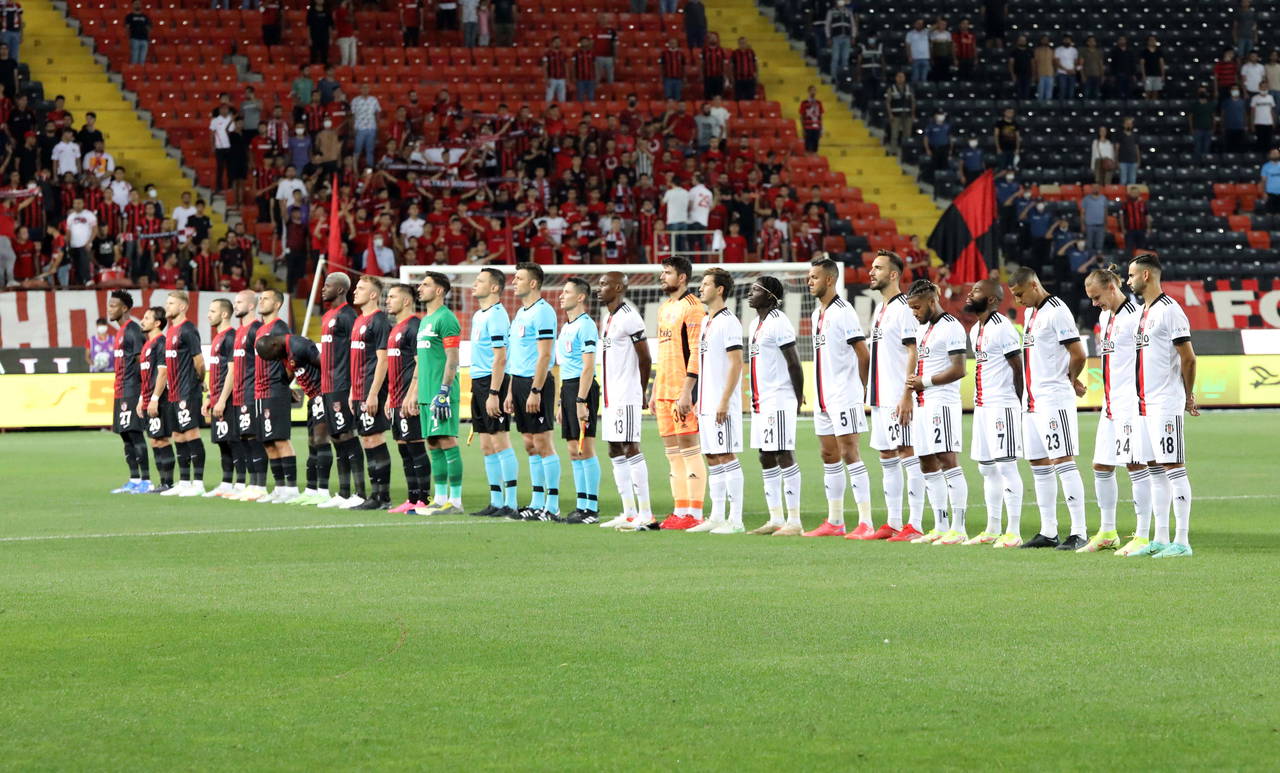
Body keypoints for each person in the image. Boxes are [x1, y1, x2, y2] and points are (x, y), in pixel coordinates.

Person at [1007, 266, 1088, 550]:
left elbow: (1079, 353)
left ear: (1033, 285)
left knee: (1063, 461)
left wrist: (1071, 379)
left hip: (1053, 399)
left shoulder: (1057, 311)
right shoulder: (1031, 314)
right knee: (1039, 464)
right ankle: (1048, 530)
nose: (1018, 301)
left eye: (1019, 294)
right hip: (1031, 402)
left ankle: (1079, 532)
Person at [1125, 252, 1197, 558]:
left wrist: (1188, 394)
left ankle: (1182, 541)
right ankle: (1161, 538)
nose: (1127, 281)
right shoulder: (1144, 311)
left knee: (1173, 468)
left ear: (1145, 276)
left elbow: (1188, 356)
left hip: (1165, 401)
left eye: (1130, 276)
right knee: (1154, 469)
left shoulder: (1170, 310)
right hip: (1144, 404)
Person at [798, 258, 874, 538]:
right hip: (823, 398)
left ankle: (866, 521)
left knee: (850, 453)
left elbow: (863, 353)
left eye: (814, 277)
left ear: (829, 280)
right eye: (808, 277)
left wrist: (863, 389)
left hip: (844, 395)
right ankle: (835, 520)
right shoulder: (818, 314)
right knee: (828, 454)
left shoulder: (844, 312)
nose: (809, 281)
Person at [1078, 265, 1150, 554]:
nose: (1095, 303)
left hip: (1130, 404)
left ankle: (1143, 535)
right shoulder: (1105, 316)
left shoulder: (1135, 318)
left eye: (1097, 297)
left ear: (1111, 287)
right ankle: (1108, 531)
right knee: (1101, 466)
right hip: (1109, 404)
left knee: (1135, 465)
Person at [864, 251, 926, 542]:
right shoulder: (881, 309)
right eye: (871, 267)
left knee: (906, 453)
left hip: (897, 395)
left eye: (877, 268)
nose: (870, 272)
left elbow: (913, 351)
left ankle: (914, 524)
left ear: (893, 275)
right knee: (887, 455)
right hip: (880, 397)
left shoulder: (904, 308)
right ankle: (892, 522)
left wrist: (907, 394)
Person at [902, 280, 969, 544]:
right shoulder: (924, 329)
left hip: (942, 401)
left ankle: (959, 527)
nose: (915, 312)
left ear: (932, 301)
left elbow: (959, 369)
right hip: (923, 403)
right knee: (926, 461)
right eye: (911, 308)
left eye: (917, 307)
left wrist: (925, 381)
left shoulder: (951, 326)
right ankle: (941, 526)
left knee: (947, 459)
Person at [739, 275, 805, 535]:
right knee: (765, 455)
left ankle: (795, 521)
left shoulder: (779, 323)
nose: (750, 293)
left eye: (755, 290)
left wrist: (798, 399)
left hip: (778, 398)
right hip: (761, 401)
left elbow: (794, 362)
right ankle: (775, 518)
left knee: (783, 452)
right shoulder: (757, 322)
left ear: (769, 296)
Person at [962, 280, 1025, 547]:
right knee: (986, 468)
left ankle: (1013, 531)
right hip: (982, 406)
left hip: (1002, 405)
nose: (969, 293)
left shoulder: (1003, 329)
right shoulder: (976, 328)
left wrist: (1018, 405)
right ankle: (992, 527)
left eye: (976, 291)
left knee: (1006, 466)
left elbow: (1017, 366)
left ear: (991, 299)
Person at [649, 256, 707, 529]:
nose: (662, 277)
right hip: (663, 390)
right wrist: (654, 389)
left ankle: (695, 513)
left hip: (683, 391)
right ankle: (680, 509)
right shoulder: (665, 307)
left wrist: (687, 391)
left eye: (668, 272)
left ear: (682, 277)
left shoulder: (693, 308)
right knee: (672, 454)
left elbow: (696, 352)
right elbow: (664, 353)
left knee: (690, 450)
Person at [595, 272, 654, 531]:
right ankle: (629, 512)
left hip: (626, 394)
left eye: (605, 284)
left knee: (631, 446)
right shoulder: (610, 317)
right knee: (614, 449)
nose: (600, 288)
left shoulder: (629, 315)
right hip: (610, 396)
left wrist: (640, 391)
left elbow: (646, 358)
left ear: (618, 287)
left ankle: (646, 513)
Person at [503, 262, 560, 521]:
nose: (514, 282)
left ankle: (553, 504)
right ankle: (537, 501)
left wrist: (536, 390)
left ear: (533, 283)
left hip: (538, 383)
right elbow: (516, 356)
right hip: (519, 383)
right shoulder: (520, 313)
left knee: (543, 442)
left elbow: (545, 354)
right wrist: (510, 391)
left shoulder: (543, 312)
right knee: (529, 444)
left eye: (519, 278)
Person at [410, 272, 464, 516]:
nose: (420, 288)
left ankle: (456, 501)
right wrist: (415, 392)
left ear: (440, 290)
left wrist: (444, 391)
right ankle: (440, 498)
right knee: (432, 443)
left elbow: (453, 358)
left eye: (426, 284)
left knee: (446, 440)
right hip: (425, 393)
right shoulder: (424, 321)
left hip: (440, 393)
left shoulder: (446, 318)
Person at [468, 267, 518, 518]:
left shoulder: (497, 316)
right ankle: (496, 501)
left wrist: (495, 392)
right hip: (478, 381)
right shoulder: (479, 315)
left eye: (480, 281)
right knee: (486, 445)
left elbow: (500, 357)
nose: (474, 284)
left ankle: (511, 503)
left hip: (491, 382)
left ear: (495, 287)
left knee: (500, 440)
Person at [314, 273, 363, 508]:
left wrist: (355, 385)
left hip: (343, 385)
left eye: (328, 285)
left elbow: (357, 352)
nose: (323, 289)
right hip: (328, 386)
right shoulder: (327, 316)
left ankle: (360, 492)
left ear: (341, 289)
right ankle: (344, 492)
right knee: (336, 437)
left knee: (347, 436)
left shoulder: (347, 316)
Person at [555, 278, 602, 524]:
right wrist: (564, 402)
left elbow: (588, 366)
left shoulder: (586, 326)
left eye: (567, 292)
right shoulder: (567, 327)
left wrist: (581, 400)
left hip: (583, 390)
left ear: (581, 297)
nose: (561, 295)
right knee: (574, 450)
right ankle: (581, 505)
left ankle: (591, 509)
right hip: (569, 389)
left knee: (586, 448)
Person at [214, 290, 268, 500]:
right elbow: (233, 368)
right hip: (238, 393)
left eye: (239, 302)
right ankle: (251, 484)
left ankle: (260, 485)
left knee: (253, 438)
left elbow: (266, 361)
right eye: (235, 302)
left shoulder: (256, 329)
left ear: (252, 306)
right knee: (244, 439)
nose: (235, 305)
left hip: (252, 392)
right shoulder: (238, 332)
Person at [155, 291, 207, 497]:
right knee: (177, 436)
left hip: (188, 390)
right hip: (174, 392)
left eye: (171, 303)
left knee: (191, 434)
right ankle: (185, 481)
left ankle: (199, 482)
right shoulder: (171, 332)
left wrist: (199, 381)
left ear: (183, 307)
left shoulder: (188, 330)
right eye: (167, 302)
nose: (167, 306)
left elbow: (199, 362)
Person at [349, 275, 393, 510]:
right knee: (366, 439)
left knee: (375, 437)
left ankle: (382, 495)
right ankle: (375, 494)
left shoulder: (379, 321)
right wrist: (351, 393)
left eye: (361, 288)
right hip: (357, 391)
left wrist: (374, 393)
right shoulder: (358, 321)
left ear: (374, 295)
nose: (356, 291)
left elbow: (383, 360)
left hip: (371, 390)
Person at [383, 283, 427, 514]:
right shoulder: (394, 328)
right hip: (397, 397)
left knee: (416, 447)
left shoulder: (415, 326)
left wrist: (413, 395)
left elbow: (421, 362)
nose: (388, 301)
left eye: (392, 297)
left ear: (407, 301)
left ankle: (425, 499)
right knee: (404, 448)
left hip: (409, 398)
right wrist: (391, 396)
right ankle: (412, 498)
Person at [253, 289, 299, 502]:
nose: (261, 301)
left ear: (278, 304)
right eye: (260, 298)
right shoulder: (260, 329)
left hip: (274, 390)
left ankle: (291, 488)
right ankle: (280, 488)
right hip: (259, 391)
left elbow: (292, 358)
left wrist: (282, 382)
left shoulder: (280, 328)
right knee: (267, 441)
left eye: (266, 298)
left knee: (280, 439)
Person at [107, 290, 152, 493]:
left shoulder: (133, 331)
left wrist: (143, 393)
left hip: (132, 390)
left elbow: (141, 362)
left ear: (124, 308)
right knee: (125, 435)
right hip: (120, 390)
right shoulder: (119, 332)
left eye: (114, 305)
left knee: (135, 434)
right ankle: (134, 479)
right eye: (109, 304)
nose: (110, 308)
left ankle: (146, 480)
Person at [203, 298, 239, 498]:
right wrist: (210, 396)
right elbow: (215, 369)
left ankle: (240, 483)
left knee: (233, 442)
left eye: (212, 310)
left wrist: (223, 399)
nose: (209, 314)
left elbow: (232, 371)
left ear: (224, 314)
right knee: (223, 442)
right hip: (217, 397)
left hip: (230, 400)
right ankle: (226, 483)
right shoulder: (217, 338)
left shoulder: (230, 337)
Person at [137, 306, 175, 493]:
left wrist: (154, 399)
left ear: (157, 323)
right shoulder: (147, 345)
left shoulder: (161, 343)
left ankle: (168, 482)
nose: (142, 321)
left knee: (162, 440)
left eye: (146, 318)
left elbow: (163, 373)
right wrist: (140, 399)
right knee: (154, 440)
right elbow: (146, 376)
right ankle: (162, 482)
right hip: (147, 399)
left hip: (159, 400)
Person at [884, 71, 915, 153]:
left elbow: (913, 101)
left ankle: (906, 152)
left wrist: (913, 114)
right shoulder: (891, 88)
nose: (901, 78)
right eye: (899, 76)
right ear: (896, 78)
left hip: (907, 114)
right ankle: (893, 151)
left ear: (905, 78)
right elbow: (888, 102)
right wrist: (890, 114)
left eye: (902, 77)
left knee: (907, 135)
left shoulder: (909, 88)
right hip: (895, 115)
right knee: (894, 134)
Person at [825, 0, 855, 80]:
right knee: (835, 58)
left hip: (847, 37)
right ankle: (834, 77)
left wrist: (853, 36)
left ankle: (843, 76)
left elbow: (853, 24)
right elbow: (827, 25)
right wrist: (828, 37)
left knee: (845, 58)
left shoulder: (848, 11)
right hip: (836, 38)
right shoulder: (831, 12)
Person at [1080, 184, 1109, 255]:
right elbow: (1082, 213)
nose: (1095, 189)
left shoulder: (1103, 199)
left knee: (1099, 246)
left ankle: (1099, 264)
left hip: (1101, 226)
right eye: (1094, 187)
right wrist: (1082, 225)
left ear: (1099, 189)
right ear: (1091, 189)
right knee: (1089, 246)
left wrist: (1106, 225)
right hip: (1089, 226)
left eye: (1097, 187)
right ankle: (1089, 262)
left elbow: (1105, 213)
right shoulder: (1086, 199)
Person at [1121, 187, 1150, 255]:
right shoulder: (1126, 203)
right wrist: (1123, 228)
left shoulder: (1143, 203)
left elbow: (1147, 216)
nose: (1134, 194)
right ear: (1129, 193)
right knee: (1129, 249)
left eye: (1136, 192)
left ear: (1139, 194)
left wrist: (1148, 228)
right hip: (1129, 230)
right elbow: (1121, 216)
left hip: (1141, 230)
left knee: (1141, 249)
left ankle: (1140, 265)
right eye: (1133, 192)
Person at [1250, 80, 1275, 151]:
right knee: (1260, 143)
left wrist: (1273, 122)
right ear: (1259, 87)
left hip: (1268, 123)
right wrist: (1252, 124)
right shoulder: (1255, 98)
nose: (1264, 88)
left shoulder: (1270, 97)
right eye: (1262, 87)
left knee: (1268, 143)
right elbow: (1252, 112)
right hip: (1258, 123)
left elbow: (1272, 111)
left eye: (1265, 87)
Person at [993, 107, 1019, 171]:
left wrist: (1017, 148)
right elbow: (996, 135)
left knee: (1011, 168)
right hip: (1002, 149)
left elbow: (1018, 137)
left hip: (1012, 149)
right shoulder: (999, 123)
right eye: (1009, 112)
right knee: (1002, 168)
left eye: (1012, 112)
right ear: (1004, 113)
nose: (1010, 113)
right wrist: (998, 148)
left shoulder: (1015, 124)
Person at [1053, 34, 1078, 101]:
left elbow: (1076, 62)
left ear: (1071, 41)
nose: (1067, 41)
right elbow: (1057, 62)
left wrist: (1073, 69)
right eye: (1065, 40)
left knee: (1071, 92)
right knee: (1062, 91)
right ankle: (1061, 107)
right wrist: (1066, 70)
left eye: (1068, 40)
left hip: (1072, 73)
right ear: (1063, 41)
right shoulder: (1058, 49)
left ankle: (1070, 108)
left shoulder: (1074, 50)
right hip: (1062, 73)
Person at [543, 36, 568, 104]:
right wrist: (546, 78)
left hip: (562, 78)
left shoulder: (563, 54)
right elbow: (545, 67)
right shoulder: (547, 54)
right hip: (552, 78)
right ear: (552, 43)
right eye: (555, 42)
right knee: (549, 98)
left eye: (558, 42)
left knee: (562, 98)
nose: (557, 43)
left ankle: (562, 112)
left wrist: (567, 78)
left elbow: (566, 66)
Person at [1007, 34, 1033, 99]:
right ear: (1018, 41)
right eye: (1021, 40)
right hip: (1017, 75)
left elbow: (1033, 64)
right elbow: (1011, 64)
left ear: (1026, 41)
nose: (1022, 41)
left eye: (1023, 40)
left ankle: (1025, 108)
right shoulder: (1014, 52)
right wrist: (1013, 75)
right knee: (1019, 93)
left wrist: (1033, 75)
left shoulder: (1029, 51)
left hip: (1027, 75)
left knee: (1026, 93)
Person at [307, 0, 332, 66]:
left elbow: (329, 26)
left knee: (324, 56)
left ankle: (324, 71)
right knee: (313, 56)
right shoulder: (311, 12)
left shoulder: (327, 11)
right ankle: (313, 70)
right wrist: (309, 38)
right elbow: (308, 26)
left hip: (324, 36)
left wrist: (330, 38)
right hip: (314, 36)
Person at [1139, 35, 1165, 100]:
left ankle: (1154, 108)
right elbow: (1142, 64)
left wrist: (1163, 75)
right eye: (1150, 40)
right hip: (1148, 75)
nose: (1152, 41)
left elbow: (1161, 63)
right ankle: (1146, 107)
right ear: (1148, 41)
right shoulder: (1144, 52)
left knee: (1155, 93)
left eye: (1153, 40)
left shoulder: (1159, 51)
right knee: (1147, 92)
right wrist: (1143, 75)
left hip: (1157, 74)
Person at [800, 85, 823, 155]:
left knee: (815, 144)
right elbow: (801, 116)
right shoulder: (804, 103)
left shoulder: (819, 103)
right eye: (811, 90)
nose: (813, 92)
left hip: (816, 126)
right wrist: (802, 128)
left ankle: (814, 159)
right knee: (807, 144)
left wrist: (821, 128)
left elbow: (820, 116)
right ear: (808, 91)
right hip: (807, 126)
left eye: (814, 90)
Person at [1116, 116, 1140, 185]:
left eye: (1130, 124)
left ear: (1132, 125)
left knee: (1132, 181)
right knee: (1123, 181)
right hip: (1123, 161)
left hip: (1133, 161)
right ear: (1124, 125)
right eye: (1127, 123)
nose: (1129, 125)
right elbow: (1117, 148)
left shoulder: (1135, 135)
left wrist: (1138, 160)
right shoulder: (1120, 135)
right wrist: (1117, 160)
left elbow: (1137, 148)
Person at [905, 18, 930, 84]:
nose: (920, 25)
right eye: (918, 23)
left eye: (921, 24)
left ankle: (923, 93)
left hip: (925, 58)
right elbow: (908, 46)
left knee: (924, 79)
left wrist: (939, 20)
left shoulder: (926, 32)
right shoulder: (910, 34)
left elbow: (935, 27)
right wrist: (909, 56)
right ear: (914, 24)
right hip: (915, 58)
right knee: (915, 78)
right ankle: (914, 93)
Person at [1261, 148, 1280, 214]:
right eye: (1273, 153)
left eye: (1276, 153)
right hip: (1270, 194)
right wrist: (1264, 193)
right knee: (1269, 214)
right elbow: (1263, 181)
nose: (1275, 154)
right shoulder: (1266, 166)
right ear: (1270, 155)